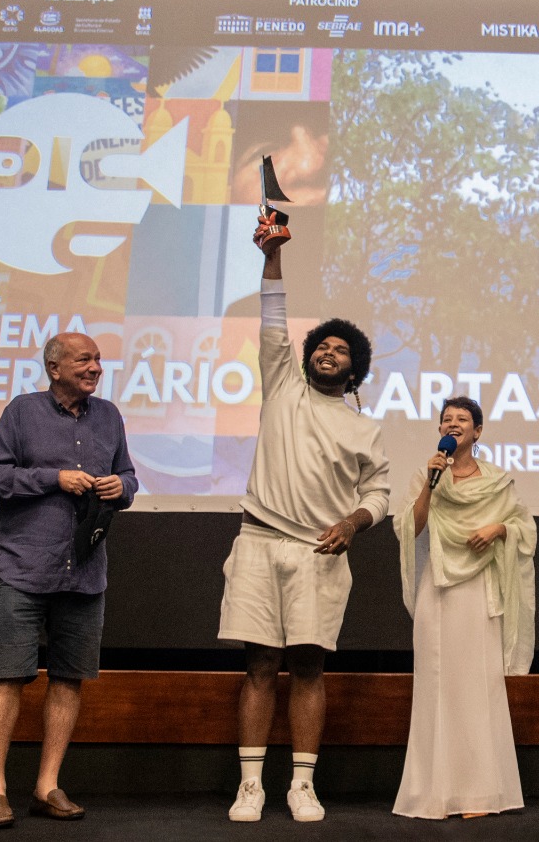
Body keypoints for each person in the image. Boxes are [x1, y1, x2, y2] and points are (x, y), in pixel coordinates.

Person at [218, 224, 390, 824]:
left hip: (320, 553)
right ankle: (249, 786)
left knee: (310, 667)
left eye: (340, 351)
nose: (326, 351)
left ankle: (302, 785)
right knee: (260, 665)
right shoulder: (282, 385)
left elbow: (381, 492)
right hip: (259, 542)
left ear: (353, 371)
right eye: (322, 344)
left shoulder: (364, 428)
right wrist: (273, 256)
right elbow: (273, 318)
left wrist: (355, 520)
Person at [0, 332, 139, 829]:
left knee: (69, 679)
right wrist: (53, 477)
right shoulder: (22, 412)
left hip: (85, 573)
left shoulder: (109, 416)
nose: (95, 368)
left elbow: (129, 478)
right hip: (24, 568)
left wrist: (121, 488)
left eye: (98, 360)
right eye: (83, 359)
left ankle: (46, 786)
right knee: (6, 677)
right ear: (54, 368)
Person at [392, 396, 535, 819]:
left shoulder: (498, 479)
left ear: (478, 431)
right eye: (446, 420)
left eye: (462, 420)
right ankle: (434, 792)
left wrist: (499, 527)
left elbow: (524, 528)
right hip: (437, 587)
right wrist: (429, 484)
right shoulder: (427, 473)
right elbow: (410, 528)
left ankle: (479, 793)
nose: (453, 425)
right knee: (437, 687)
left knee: (478, 689)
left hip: (480, 590)